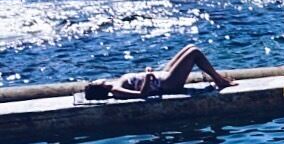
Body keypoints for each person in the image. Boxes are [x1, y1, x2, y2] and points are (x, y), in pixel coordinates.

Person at [85, 45, 235, 100]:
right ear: (99, 87)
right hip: (168, 84)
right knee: (194, 52)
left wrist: (150, 75)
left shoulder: (116, 83)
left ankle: (219, 78)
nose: (94, 80)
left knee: (190, 47)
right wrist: (149, 76)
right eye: (93, 83)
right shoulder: (116, 90)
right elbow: (143, 95)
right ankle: (219, 80)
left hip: (163, 75)